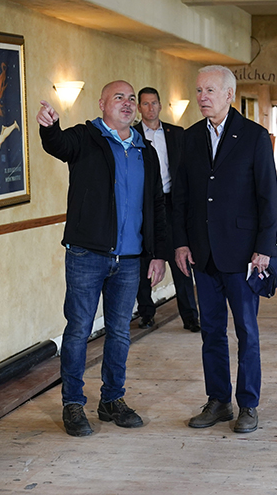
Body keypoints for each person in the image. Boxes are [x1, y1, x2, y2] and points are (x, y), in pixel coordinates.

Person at [37, 80, 168, 437]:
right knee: (79, 330)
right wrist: (49, 126)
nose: (126, 104)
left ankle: (112, 400)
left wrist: (157, 255)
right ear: (102, 104)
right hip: (86, 255)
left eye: (130, 99)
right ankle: (73, 404)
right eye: (118, 98)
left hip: (129, 259)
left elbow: (156, 205)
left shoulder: (146, 151)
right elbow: (58, 145)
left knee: (120, 333)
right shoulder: (85, 138)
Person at [173, 66, 277, 434]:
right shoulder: (189, 139)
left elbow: (269, 197)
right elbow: (182, 198)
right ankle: (218, 401)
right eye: (199, 89)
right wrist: (181, 243)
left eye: (210, 90)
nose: (202, 96)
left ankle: (248, 404)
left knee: (247, 332)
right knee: (211, 332)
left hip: (243, 255)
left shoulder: (254, 137)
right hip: (203, 255)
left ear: (230, 95)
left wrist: (264, 247)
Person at [134, 87, 200, 333]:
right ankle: (146, 313)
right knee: (144, 259)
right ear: (139, 108)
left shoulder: (177, 134)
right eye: (145, 104)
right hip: (144, 205)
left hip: (172, 203)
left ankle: (190, 317)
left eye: (154, 103)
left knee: (180, 258)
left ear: (160, 106)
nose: (151, 108)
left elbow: (188, 171)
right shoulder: (131, 134)